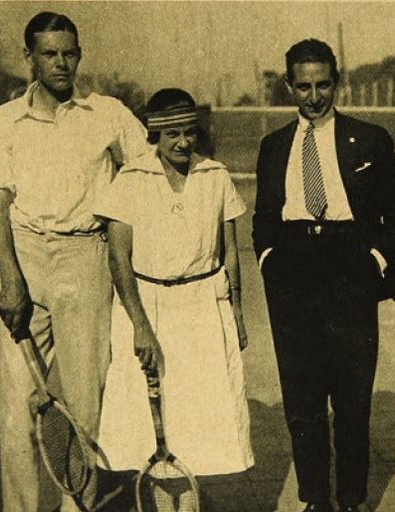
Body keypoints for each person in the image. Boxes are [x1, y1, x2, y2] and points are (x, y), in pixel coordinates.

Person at [0, 12, 148, 512]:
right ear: (28, 57)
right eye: (49, 54)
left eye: (69, 53)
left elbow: (148, 169)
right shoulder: (3, 119)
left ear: (80, 55)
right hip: (25, 256)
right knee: (15, 414)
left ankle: (76, 508)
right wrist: (11, 279)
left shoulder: (109, 113)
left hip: (85, 258)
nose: (61, 63)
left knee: (83, 408)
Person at [252, 38, 395, 512]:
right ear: (288, 86)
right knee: (302, 405)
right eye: (303, 86)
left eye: (323, 84)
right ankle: (314, 500)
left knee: (352, 401)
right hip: (293, 276)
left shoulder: (369, 139)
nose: (314, 96)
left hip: (351, 273)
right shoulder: (274, 146)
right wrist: (269, 263)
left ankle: (352, 499)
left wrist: (374, 263)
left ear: (337, 81)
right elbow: (263, 218)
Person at [94, 88, 254, 477]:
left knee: (198, 431)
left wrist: (235, 311)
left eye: (190, 132)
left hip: (203, 309)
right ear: (155, 135)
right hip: (146, 309)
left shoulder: (215, 175)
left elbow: (229, 251)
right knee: (149, 437)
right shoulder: (130, 179)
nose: (184, 142)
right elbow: (119, 261)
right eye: (172, 135)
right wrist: (141, 326)